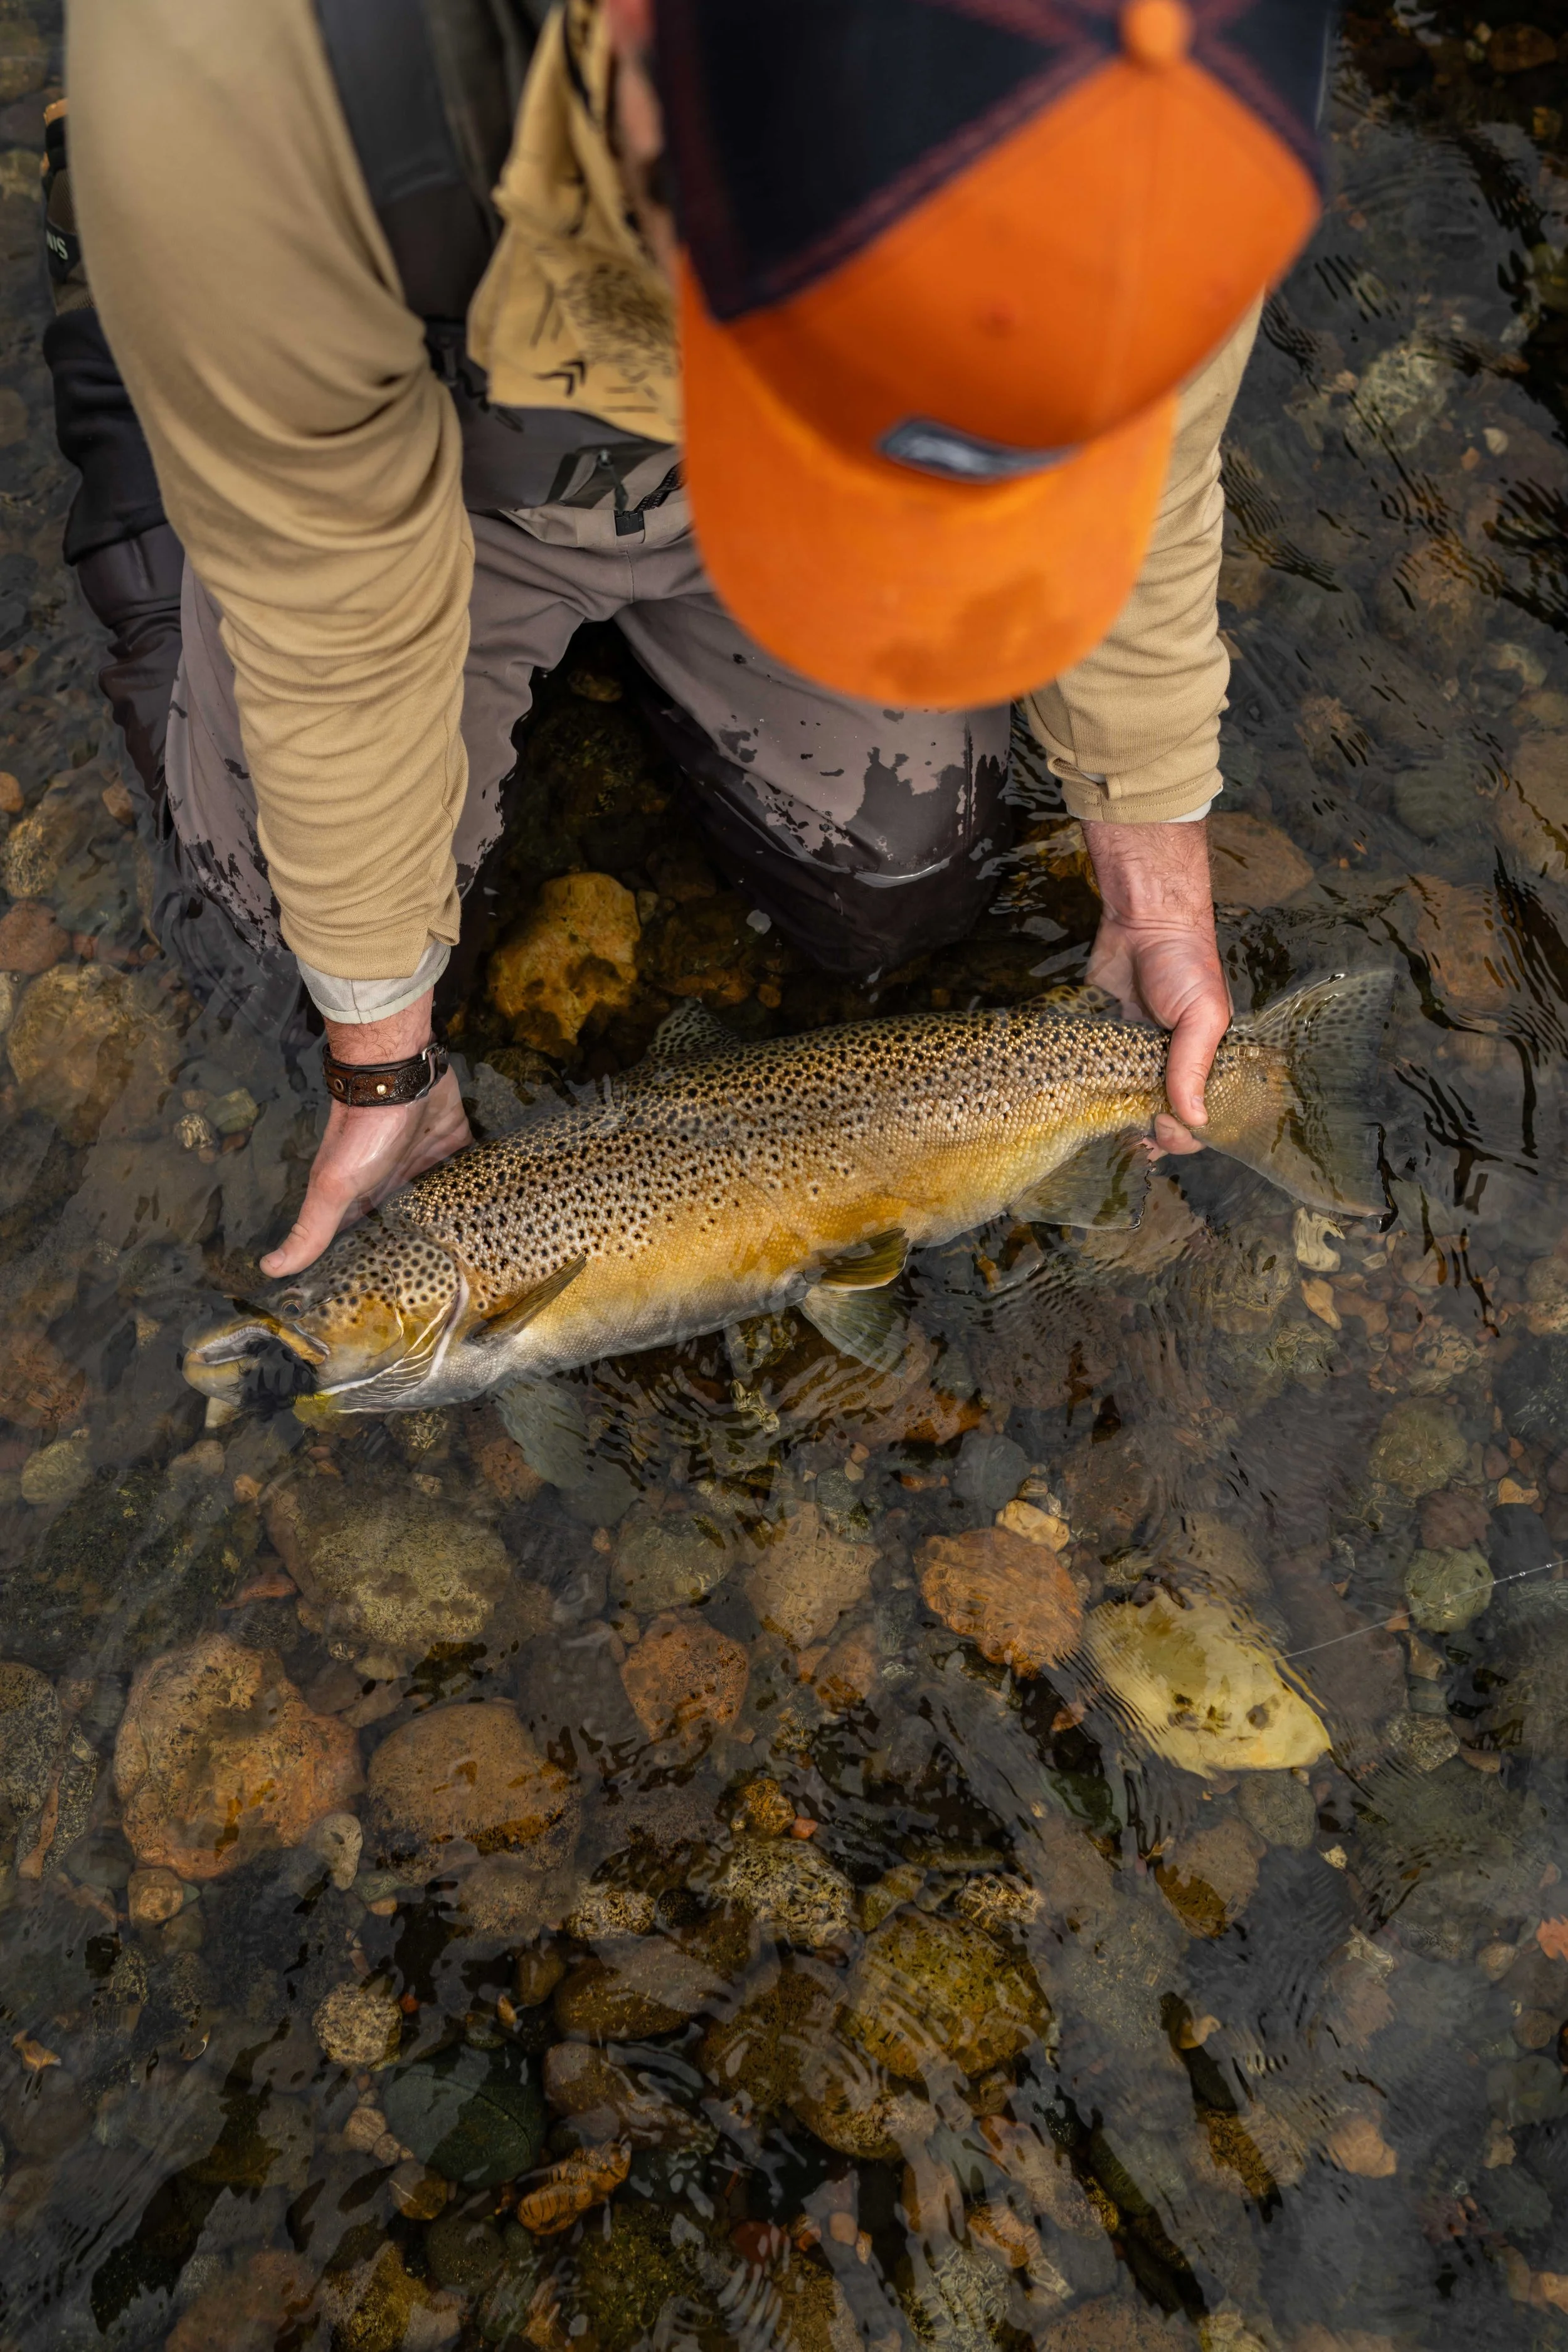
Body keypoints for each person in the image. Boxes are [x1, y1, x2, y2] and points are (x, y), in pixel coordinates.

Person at [49, 0, 1335, 1276]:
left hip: (734, 403)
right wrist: (381, 1054)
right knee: (292, 949)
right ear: (632, 55)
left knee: (903, 880)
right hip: (388, 435)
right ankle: (120, 314)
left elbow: (1149, 479)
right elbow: (327, 622)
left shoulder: (1191, 115)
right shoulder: (248, 75)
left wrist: (1152, 875)